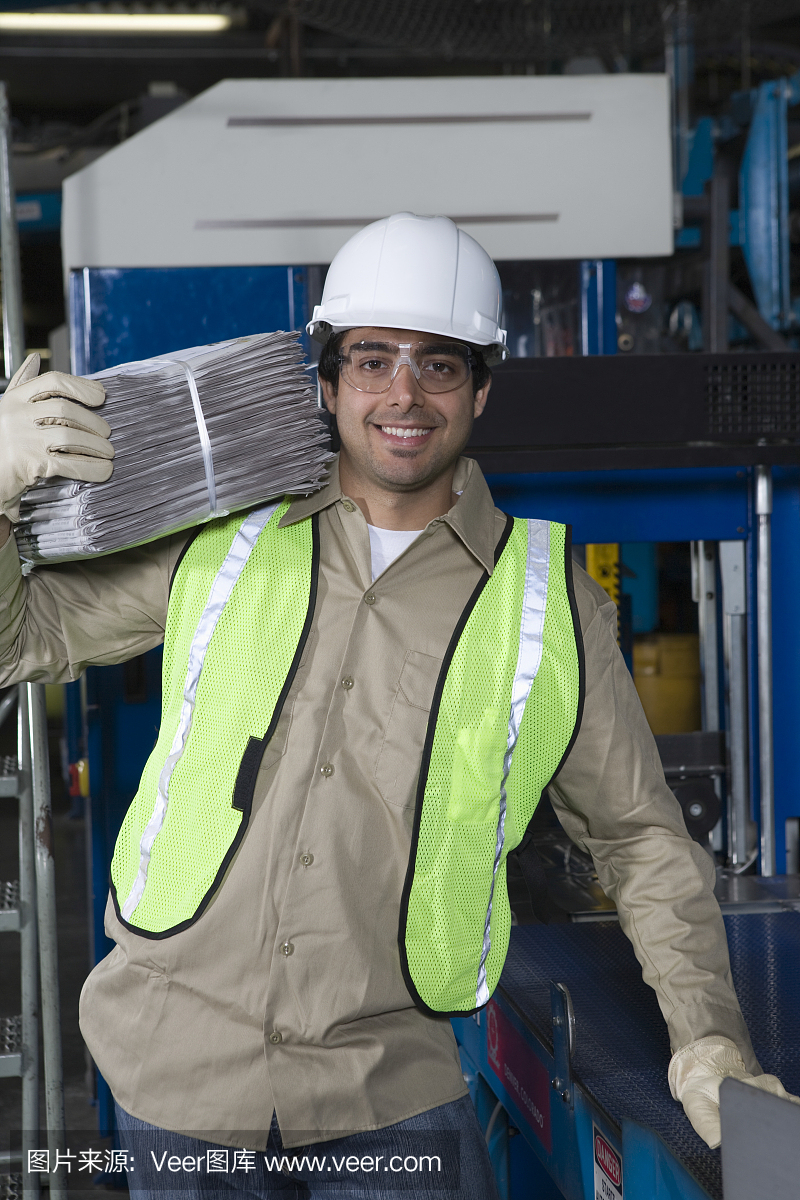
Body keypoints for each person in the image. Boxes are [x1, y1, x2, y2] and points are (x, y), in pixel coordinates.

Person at [0, 213, 795, 1197]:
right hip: (175, 1076)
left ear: (481, 389)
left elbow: (639, 843)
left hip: (388, 1098)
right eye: (371, 360)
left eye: (439, 364)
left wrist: (707, 1043)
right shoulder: (222, 541)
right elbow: (18, 641)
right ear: (326, 381)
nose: (403, 395)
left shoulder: (546, 601)